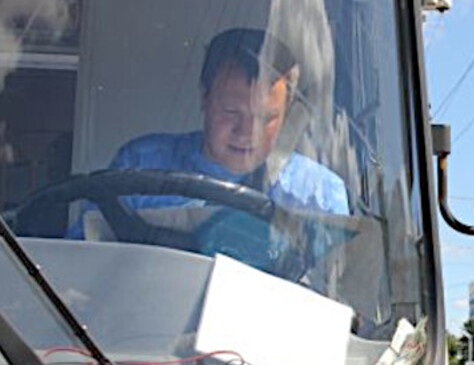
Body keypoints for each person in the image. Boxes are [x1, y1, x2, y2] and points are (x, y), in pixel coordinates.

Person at [68, 27, 348, 238]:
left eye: (267, 118)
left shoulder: (319, 194)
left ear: (286, 113)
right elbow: (86, 261)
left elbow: (339, 298)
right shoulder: (138, 166)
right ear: (204, 97)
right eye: (231, 112)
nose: (248, 133)